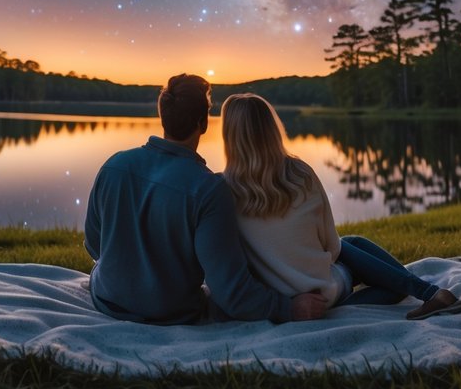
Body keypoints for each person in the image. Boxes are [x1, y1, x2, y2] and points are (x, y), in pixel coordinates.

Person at [83, 73, 328, 325]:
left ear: (162, 116)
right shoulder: (208, 189)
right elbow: (231, 292)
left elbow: (94, 244)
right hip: (169, 315)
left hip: (106, 300)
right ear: (204, 123)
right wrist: (290, 309)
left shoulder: (114, 166)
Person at [220, 92, 461, 320]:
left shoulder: (222, 188)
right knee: (355, 246)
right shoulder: (299, 173)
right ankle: (429, 292)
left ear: (230, 136)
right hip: (322, 291)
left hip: (280, 297)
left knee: (366, 259)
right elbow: (332, 246)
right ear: (272, 129)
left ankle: (419, 291)